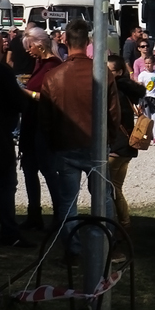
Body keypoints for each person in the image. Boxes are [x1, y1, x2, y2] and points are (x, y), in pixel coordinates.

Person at [37, 19, 120, 246]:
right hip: (96, 143)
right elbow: (113, 113)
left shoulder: (54, 77)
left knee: (67, 202)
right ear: (88, 41)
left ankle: (72, 249)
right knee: (102, 198)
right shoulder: (102, 74)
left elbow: (45, 118)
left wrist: (53, 142)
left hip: (66, 145)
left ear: (65, 40)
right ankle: (104, 245)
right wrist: (109, 139)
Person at [19, 26, 63, 230]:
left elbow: (48, 96)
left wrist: (25, 92)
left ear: (39, 44)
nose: (27, 50)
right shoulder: (39, 63)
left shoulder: (52, 65)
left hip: (42, 125)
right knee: (29, 170)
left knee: (47, 170)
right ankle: (34, 213)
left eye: (29, 46)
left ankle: (59, 214)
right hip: (31, 123)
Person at [106, 53, 145, 256]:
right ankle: (125, 225)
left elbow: (112, 117)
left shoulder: (117, 92)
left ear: (119, 72)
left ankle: (120, 227)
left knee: (109, 189)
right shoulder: (128, 89)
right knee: (116, 189)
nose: (105, 73)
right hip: (127, 146)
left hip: (118, 146)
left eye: (109, 70)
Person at [1, 37, 35, 246]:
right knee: (5, 185)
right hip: (1, 137)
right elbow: (19, 102)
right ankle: (9, 232)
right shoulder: (2, 72)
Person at [135, 48, 155, 145]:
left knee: (154, 118)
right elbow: (140, 86)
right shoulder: (142, 75)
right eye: (146, 63)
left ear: (153, 64)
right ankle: (148, 136)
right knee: (147, 118)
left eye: (150, 63)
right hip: (146, 98)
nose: (148, 65)